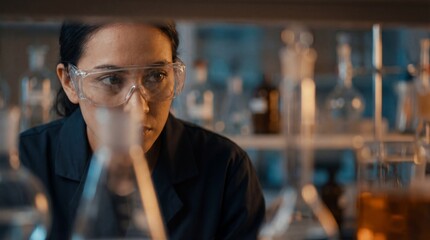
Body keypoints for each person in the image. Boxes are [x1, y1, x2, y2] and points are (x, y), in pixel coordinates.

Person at [19, 21, 265, 239]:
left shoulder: (226, 170)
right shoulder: (24, 164)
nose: (137, 109)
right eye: (111, 80)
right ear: (70, 82)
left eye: (156, 76)